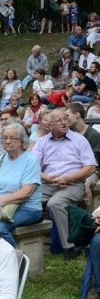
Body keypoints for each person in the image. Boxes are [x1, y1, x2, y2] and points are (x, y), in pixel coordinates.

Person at [32, 108, 97, 259]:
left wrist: (69, 178)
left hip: (73, 184)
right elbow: (32, 166)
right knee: (28, 200)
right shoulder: (42, 142)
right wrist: (46, 178)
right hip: (48, 183)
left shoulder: (79, 140)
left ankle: (70, 247)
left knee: (55, 204)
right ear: (50, 124)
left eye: (65, 119)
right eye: (59, 120)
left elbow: (91, 167)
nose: (64, 122)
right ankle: (31, 239)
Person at [0, 122, 43, 246]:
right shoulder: (0, 160)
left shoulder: (30, 160)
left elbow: (27, 192)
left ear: (22, 141)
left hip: (27, 208)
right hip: (0, 206)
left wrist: (1, 202)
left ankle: (15, 261)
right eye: (4, 138)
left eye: (12, 138)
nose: (7, 141)